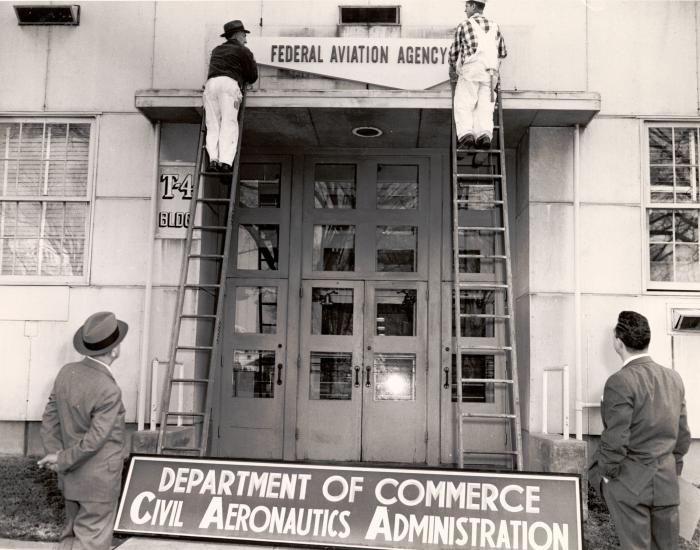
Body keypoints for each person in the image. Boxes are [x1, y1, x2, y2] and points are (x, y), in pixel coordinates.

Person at [588, 311, 691, 550]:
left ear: (618, 342)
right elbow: (683, 436)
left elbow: (615, 440)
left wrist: (606, 476)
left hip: (630, 485)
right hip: (666, 483)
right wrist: (671, 470)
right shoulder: (673, 378)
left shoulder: (619, 381)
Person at [38, 311, 129, 550]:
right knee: (92, 540)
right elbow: (95, 440)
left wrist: (56, 457)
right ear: (115, 350)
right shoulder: (109, 389)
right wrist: (61, 458)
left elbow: (50, 418)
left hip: (70, 477)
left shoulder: (67, 373)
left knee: (70, 537)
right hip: (99, 482)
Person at [448, 0, 507, 151]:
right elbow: (503, 52)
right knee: (486, 106)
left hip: (472, 70)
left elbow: (454, 52)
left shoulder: (465, 25)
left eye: (466, 6)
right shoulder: (495, 26)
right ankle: (484, 135)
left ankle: (466, 134)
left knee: (464, 102)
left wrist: (453, 67)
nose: (465, 10)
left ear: (473, 6)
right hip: (491, 74)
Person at [204, 19, 258, 173]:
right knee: (229, 123)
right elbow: (253, 76)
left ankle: (213, 159)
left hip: (211, 85)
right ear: (238, 34)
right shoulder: (243, 51)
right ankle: (226, 162)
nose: (246, 40)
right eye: (244, 35)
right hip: (229, 85)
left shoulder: (216, 50)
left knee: (213, 123)